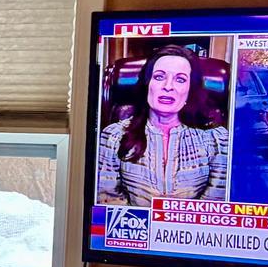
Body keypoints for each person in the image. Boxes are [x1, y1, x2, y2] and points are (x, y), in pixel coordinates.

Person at [94, 44, 230, 206]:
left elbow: (215, 205)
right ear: (147, 84)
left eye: (180, 79)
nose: (168, 86)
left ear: (190, 89)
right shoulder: (113, 136)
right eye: (159, 77)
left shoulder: (217, 139)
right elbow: (108, 200)